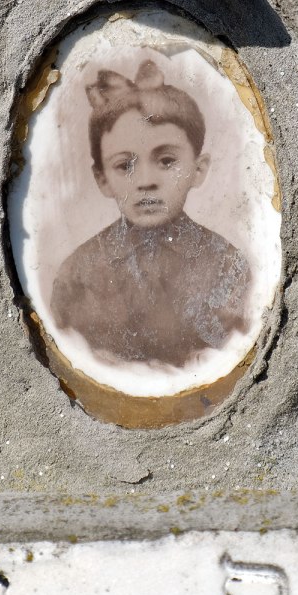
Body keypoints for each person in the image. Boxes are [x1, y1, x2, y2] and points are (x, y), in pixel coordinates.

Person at [50, 60, 251, 369]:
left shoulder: (228, 265)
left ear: (198, 170)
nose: (145, 181)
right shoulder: (77, 274)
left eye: (167, 161)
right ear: (102, 179)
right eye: (124, 165)